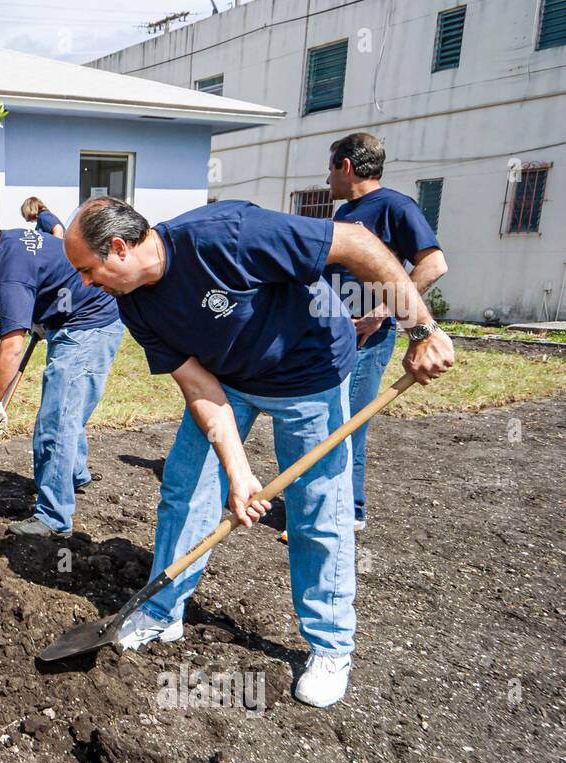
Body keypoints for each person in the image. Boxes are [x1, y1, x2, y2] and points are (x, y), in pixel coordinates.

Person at [64, 195, 454, 707]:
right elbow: (199, 387)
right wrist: (238, 471)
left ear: (117, 248)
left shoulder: (229, 233)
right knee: (185, 488)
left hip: (308, 372)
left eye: (88, 271)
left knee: (318, 507)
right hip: (227, 378)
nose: (86, 284)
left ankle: (331, 645)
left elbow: (356, 243)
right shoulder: (133, 301)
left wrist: (420, 328)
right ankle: (162, 612)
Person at [0, 200, 124, 537]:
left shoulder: (8, 272)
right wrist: (45, 317)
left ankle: (53, 517)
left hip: (89, 323)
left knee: (55, 421)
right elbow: (49, 270)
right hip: (82, 316)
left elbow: (12, 345)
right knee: (68, 407)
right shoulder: (11, 242)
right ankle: (73, 474)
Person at [324, 132, 447, 531]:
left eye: (331, 168)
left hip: (366, 338)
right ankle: (331, 504)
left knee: (348, 423)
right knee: (331, 420)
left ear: (346, 166)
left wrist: (381, 311)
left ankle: (348, 512)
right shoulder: (345, 214)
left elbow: (433, 264)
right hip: (336, 335)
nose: (328, 180)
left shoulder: (395, 206)